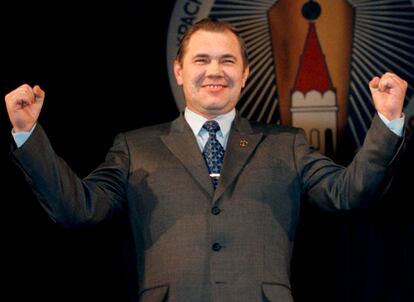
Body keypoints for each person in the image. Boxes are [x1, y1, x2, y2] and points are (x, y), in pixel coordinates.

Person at [4, 18, 407, 302]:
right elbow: (79, 209)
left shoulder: (287, 144)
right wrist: (27, 133)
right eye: (201, 60)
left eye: (227, 61)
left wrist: (387, 122)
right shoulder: (135, 147)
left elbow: (349, 194)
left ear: (246, 74)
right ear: (178, 70)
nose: (215, 71)